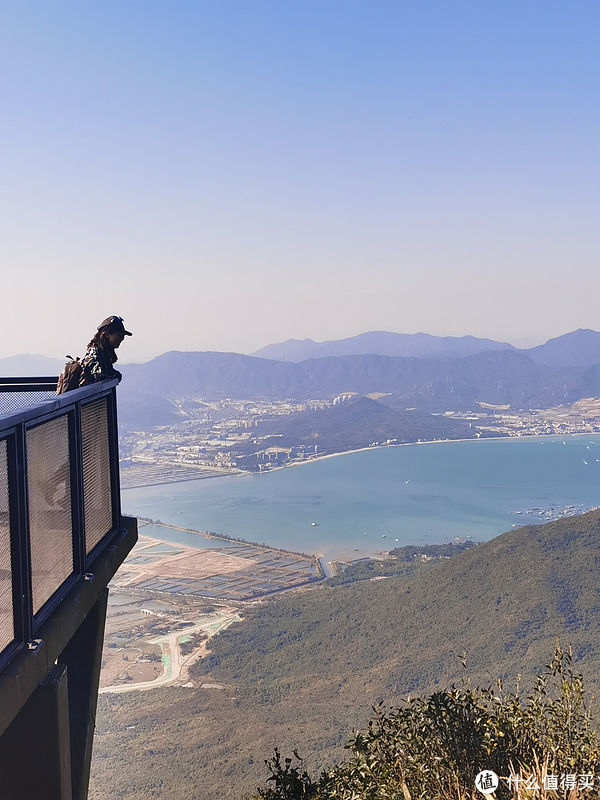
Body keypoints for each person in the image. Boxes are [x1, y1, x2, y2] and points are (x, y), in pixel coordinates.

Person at [80, 315, 133, 385]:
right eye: (119, 335)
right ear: (108, 334)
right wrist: (116, 375)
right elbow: (99, 375)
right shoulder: (94, 352)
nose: (121, 339)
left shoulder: (104, 354)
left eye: (123, 336)